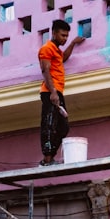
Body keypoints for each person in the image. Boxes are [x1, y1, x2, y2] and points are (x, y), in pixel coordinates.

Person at [38, 19, 85, 165]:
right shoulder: (46, 48)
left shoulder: (56, 50)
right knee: (49, 124)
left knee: (63, 127)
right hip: (50, 92)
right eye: (62, 35)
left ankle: (50, 157)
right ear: (53, 33)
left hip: (57, 91)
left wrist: (72, 43)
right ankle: (47, 159)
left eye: (66, 36)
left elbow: (62, 58)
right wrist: (53, 92)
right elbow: (45, 70)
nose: (65, 38)